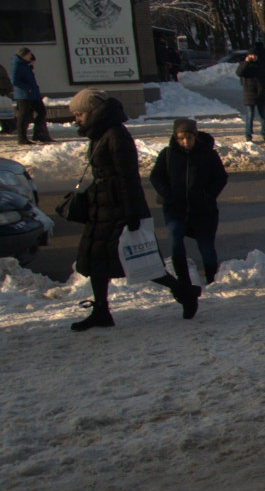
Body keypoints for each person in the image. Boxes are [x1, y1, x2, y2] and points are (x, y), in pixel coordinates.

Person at [66, 88, 197, 329]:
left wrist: (131, 212)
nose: (77, 119)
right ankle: (102, 311)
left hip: (118, 208)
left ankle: (183, 292)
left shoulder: (116, 134)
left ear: (93, 111)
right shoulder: (100, 132)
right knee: (97, 261)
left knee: (140, 260)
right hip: (102, 206)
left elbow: (128, 178)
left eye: (80, 113)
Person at [149, 118, 228, 289]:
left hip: (203, 211)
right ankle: (183, 279)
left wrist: (208, 195)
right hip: (175, 209)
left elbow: (221, 177)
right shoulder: (168, 155)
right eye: (181, 138)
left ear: (195, 137)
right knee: (175, 240)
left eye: (189, 138)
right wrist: (168, 194)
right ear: (175, 138)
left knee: (206, 247)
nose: (185, 142)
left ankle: (211, 280)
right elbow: (156, 176)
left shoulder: (208, 154)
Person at [9, 46, 50, 145]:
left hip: (33, 94)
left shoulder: (25, 65)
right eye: (28, 54)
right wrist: (28, 88)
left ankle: (39, 134)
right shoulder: (17, 65)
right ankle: (22, 138)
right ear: (23, 55)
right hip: (24, 95)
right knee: (24, 116)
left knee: (41, 111)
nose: (30, 56)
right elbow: (14, 80)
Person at [237, 42, 265, 142]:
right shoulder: (245, 65)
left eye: (254, 55)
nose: (252, 57)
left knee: (263, 116)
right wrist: (246, 62)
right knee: (249, 116)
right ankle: (248, 136)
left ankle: (264, 134)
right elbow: (239, 73)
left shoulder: (263, 65)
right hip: (249, 94)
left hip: (261, 93)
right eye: (250, 55)